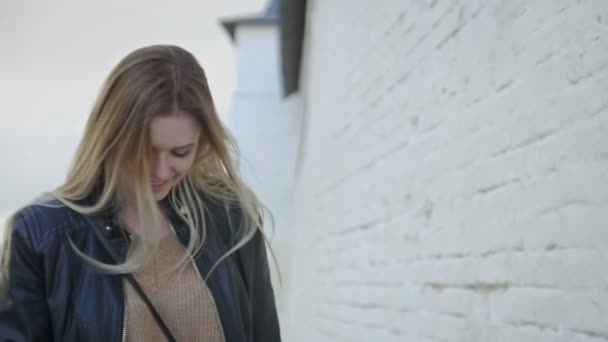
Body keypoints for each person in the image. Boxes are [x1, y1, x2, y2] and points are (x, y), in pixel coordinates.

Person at [0, 45, 281, 342]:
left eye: (180, 152)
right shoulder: (41, 235)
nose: (160, 172)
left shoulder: (232, 218)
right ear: (109, 137)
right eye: (142, 151)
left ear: (203, 142)